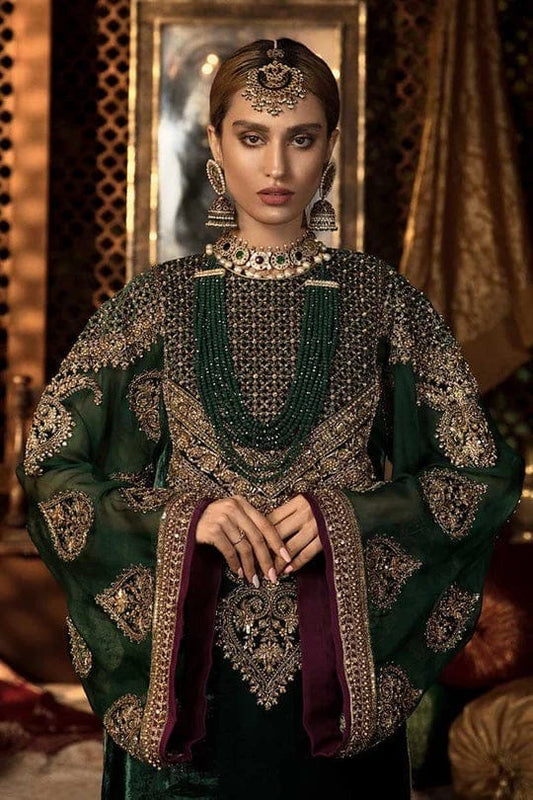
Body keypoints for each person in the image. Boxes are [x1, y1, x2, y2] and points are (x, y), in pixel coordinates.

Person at [18, 38, 523, 799]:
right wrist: (188, 518)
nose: (277, 168)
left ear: (330, 145)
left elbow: (475, 476)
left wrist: (346, 518)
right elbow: (52, 468)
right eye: (252, 137)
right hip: (187, 691)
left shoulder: (380, 301)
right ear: (215, 143)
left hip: (336, 687)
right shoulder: (157, 302)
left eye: (301, 137)